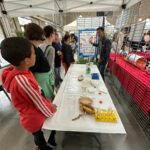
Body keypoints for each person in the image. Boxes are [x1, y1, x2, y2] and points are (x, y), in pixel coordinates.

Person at [1, 37, 57, 150]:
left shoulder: (21, 72)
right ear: (26, 60)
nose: (36, 55)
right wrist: (51, 109)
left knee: (38, 134)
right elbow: (38, 101)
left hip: (29, 115)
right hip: (33, 118)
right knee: (40, 134)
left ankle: (42, 145)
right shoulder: (23, 80)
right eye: (34, 53)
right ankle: (42, 147)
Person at [24, 23, 54, 100]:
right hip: (41, 79)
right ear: (37, 35)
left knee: (48, 97)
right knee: (46, 99)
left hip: (44, 77)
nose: (43, 36)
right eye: (42, 34)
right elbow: (31, 68)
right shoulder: (31, 48)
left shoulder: (35, 47)